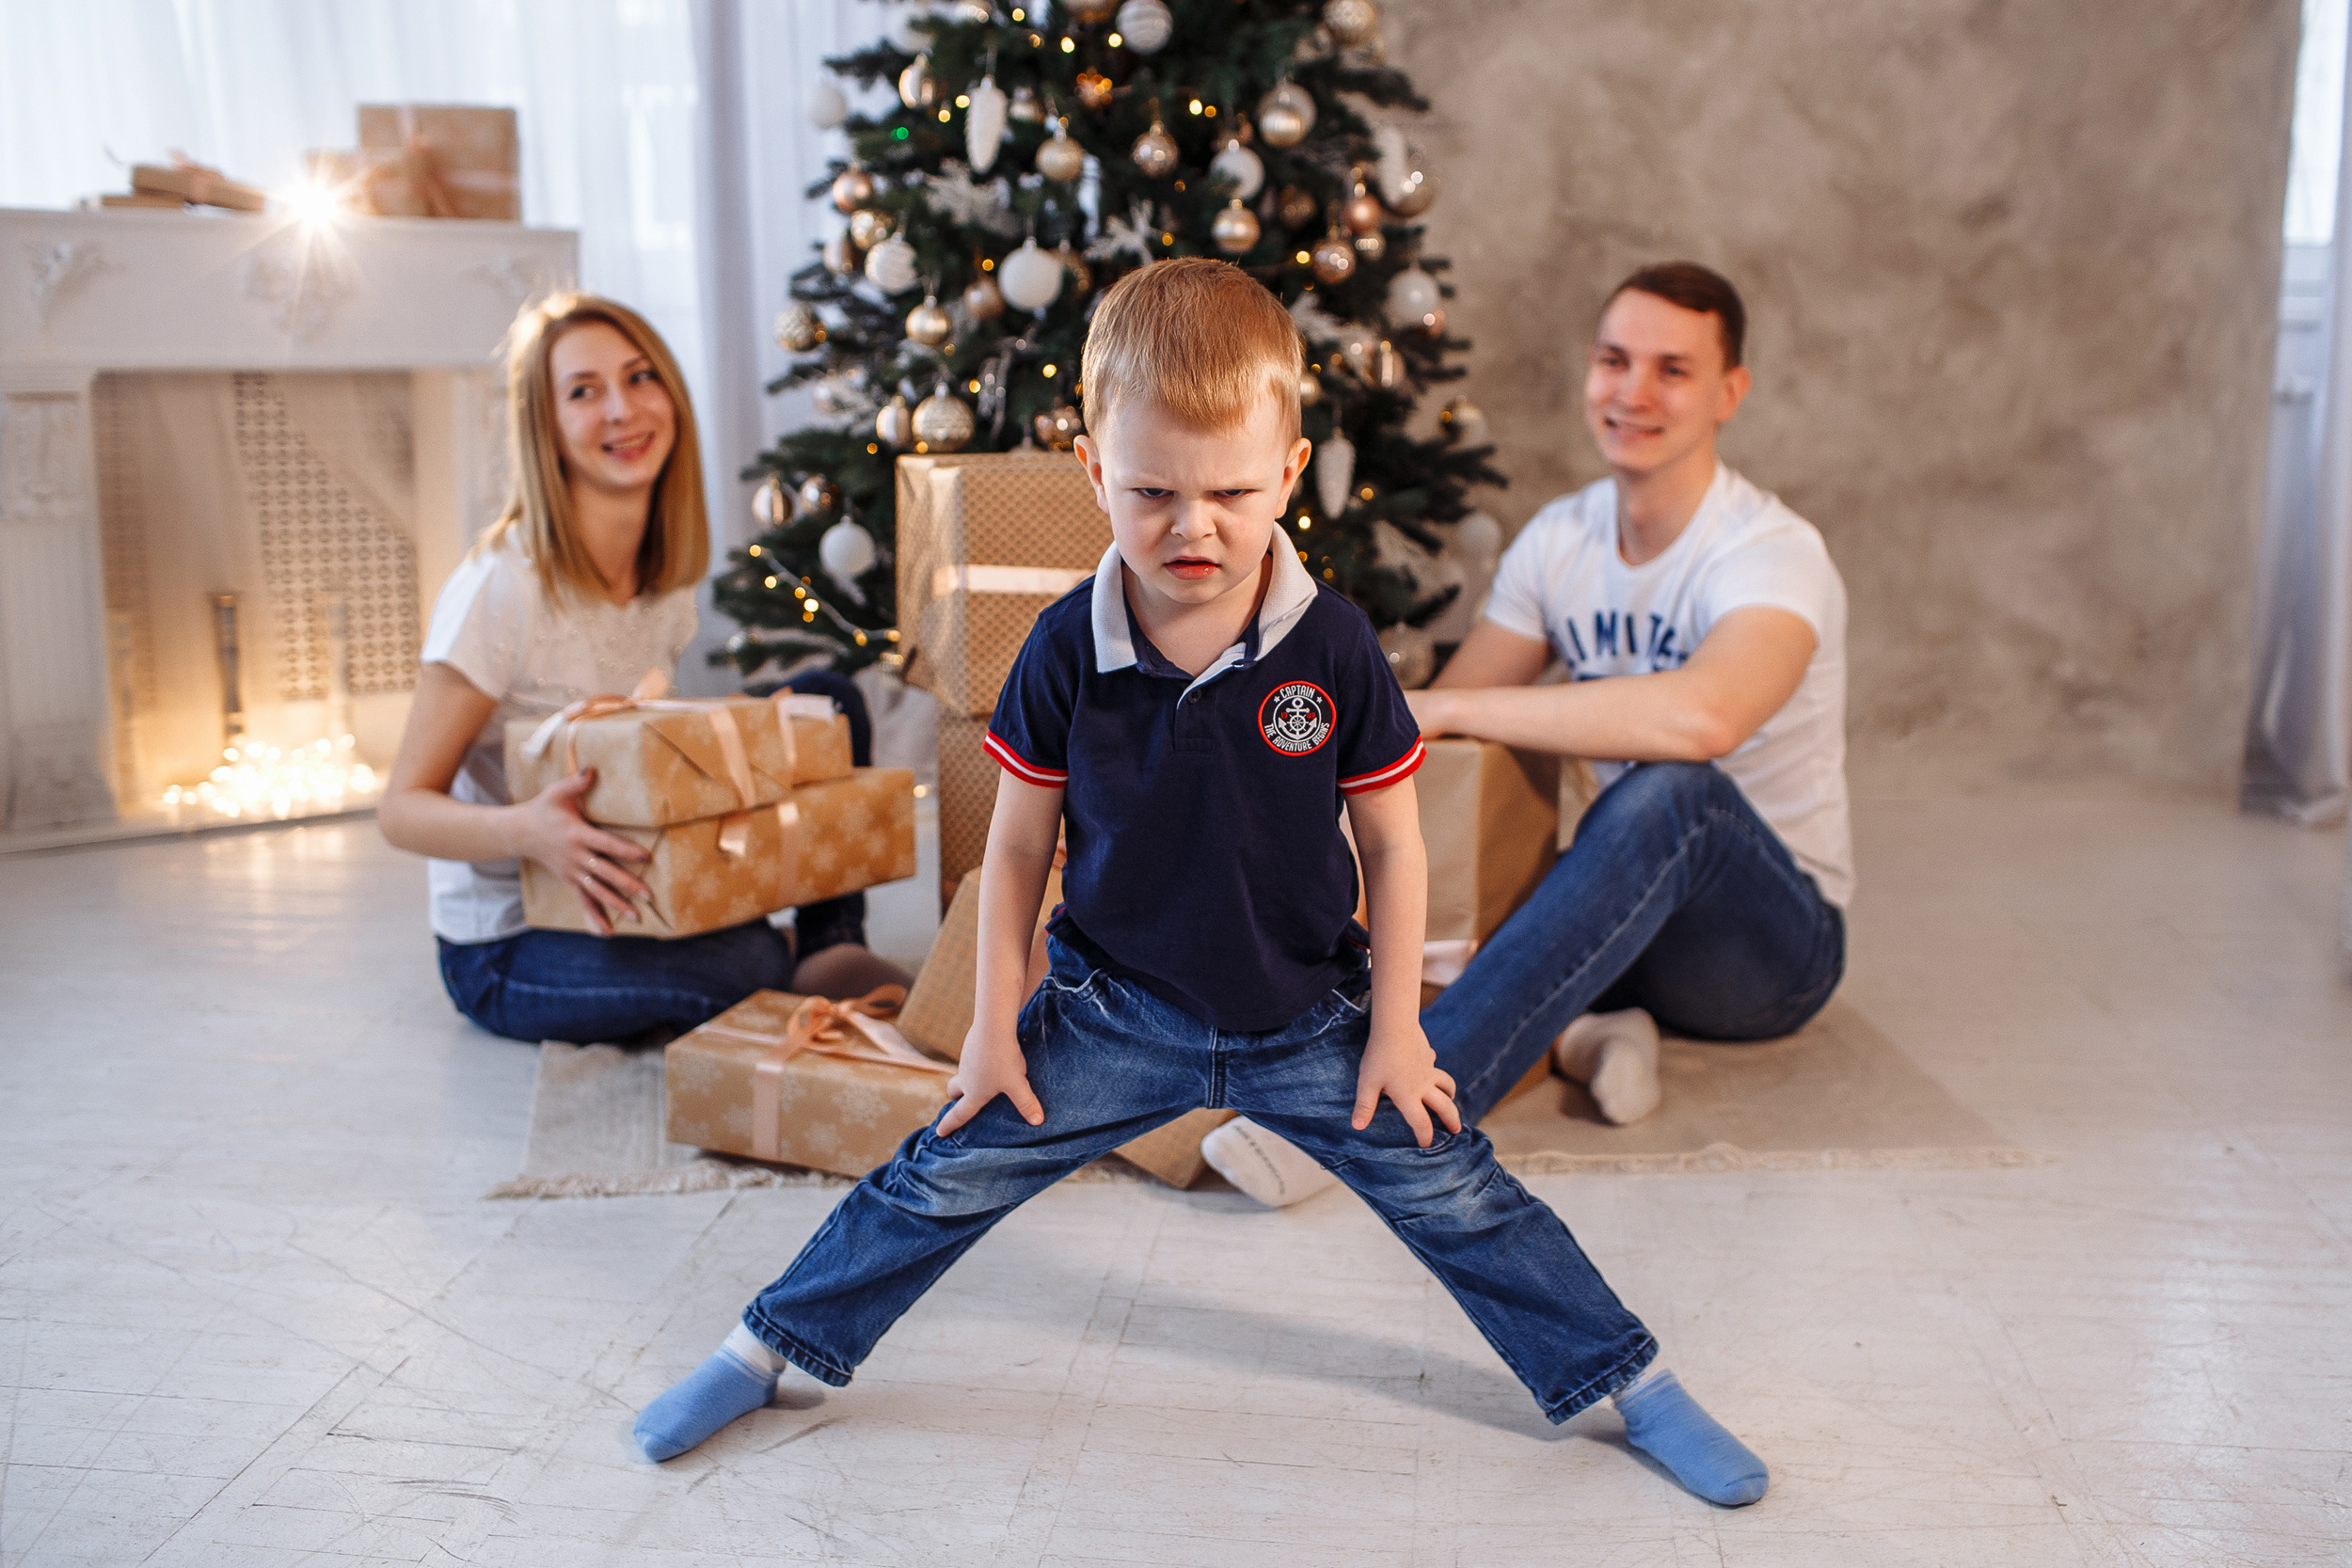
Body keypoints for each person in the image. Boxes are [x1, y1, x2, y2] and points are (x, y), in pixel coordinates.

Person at [628, 259, 1769, 1508]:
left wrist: (1398, 1029)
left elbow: (1395, 848)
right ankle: (766, 1350)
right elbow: (1016, 851)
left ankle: (1632, 1381)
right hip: (1113, 1015)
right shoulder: (1064, 648)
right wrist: (995, 1026)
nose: (1194, 526)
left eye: (1231, 491)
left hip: (1310, 1019)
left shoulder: (1333, 643)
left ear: (1288, 472)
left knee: (1459, 1189)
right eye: (1152, 491)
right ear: (1093, 472)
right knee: (942, 1169)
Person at [1205, 261, 1849, 1209]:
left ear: (1729, 392)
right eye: (1613, 359)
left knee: (1676, 794)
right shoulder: (1560, 539)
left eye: (1672, 370)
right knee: (1467, 836)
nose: (1632, 391)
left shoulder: (1769, 550)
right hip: (1614, 911)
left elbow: (1705, 715)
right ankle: (1595, 1030)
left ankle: (1383, 1120)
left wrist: (1449, 708)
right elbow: (1437, 736)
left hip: (1765, 949)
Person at [378, 291, 895, 1044]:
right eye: (583, 392)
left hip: (634, 884)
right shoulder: (499, 588)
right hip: (511, 943)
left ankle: (826, 946)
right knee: (744, 959)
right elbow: (401, 810)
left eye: (640, 377)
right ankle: (777, 957)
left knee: (828, 704)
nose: (622, 410)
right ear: (546, 428)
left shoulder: (661, 576)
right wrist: (528, 831)